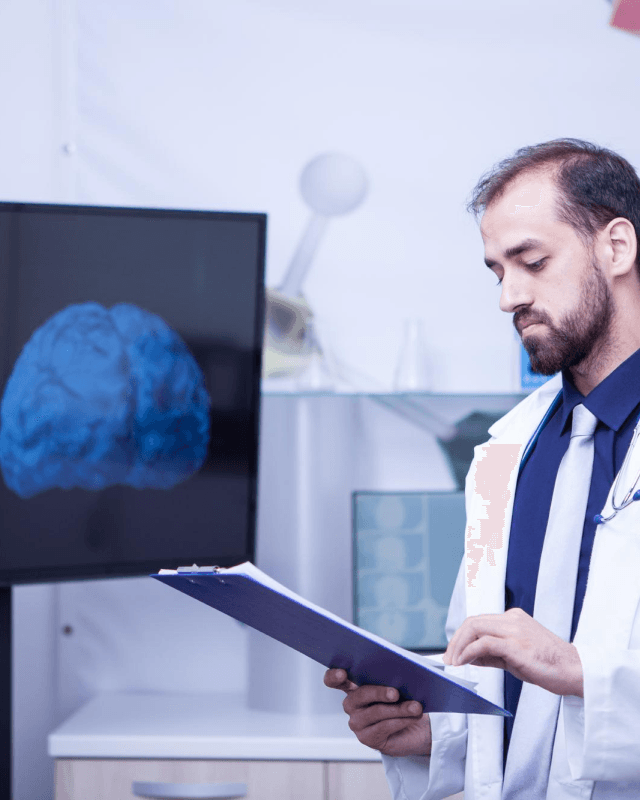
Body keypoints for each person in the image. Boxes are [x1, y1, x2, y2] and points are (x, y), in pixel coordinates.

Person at [324, 139, 640, 799]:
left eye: (532, 261)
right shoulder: (510, 451)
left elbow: (568, 683)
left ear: (616, 247)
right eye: (497, 271)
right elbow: (499, 688)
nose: (509, 297)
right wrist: (433, 732)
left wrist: (581, 672)